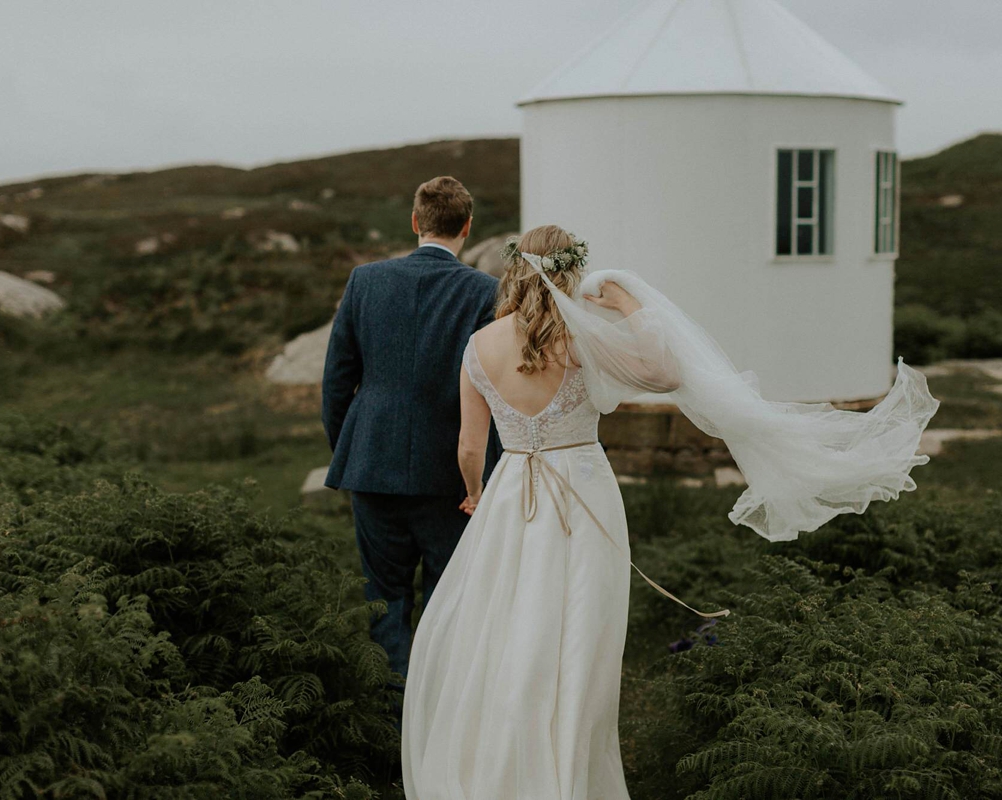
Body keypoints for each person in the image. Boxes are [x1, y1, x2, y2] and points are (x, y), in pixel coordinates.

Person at [399, 224, 941, 798]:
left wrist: (476, 491)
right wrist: (626, 300)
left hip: (511, 495)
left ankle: (499, 762)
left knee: (506, 629)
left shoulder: (479, 344)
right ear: (569, 273)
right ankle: (566, 773)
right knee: (580, 634)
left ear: (512, 269)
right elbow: (666, 373)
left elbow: (467, 446)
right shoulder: (578, 341)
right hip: (582, 491)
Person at [321, 176, 502, 688]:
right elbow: (496, 388)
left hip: (371, 466)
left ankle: (389, 714)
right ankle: (438, 716)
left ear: (416, 222)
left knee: (383, 599)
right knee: (449, 601)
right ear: (467, 227)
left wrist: (351, 453)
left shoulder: (364, 281)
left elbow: (337, 383)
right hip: (453, 476)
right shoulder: (486, 292)